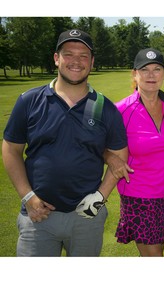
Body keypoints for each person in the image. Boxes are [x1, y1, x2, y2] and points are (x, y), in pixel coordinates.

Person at [2, 29, 129, 257]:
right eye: (69, 54)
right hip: (37, 215)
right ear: (56, 58)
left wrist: (99, 197)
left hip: (85, 220)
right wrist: (27, 196)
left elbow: (120, 154)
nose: (76, 61)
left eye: (83, 56)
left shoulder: (105, 108)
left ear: (92, 62)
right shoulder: (30, 101)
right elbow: (11, 149)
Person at [108, 48, 164, 257]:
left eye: (157, 69)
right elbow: (100, 145)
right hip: (138, 195)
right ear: (135, 74)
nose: (151, 75)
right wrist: (111, 158)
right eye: (145, 69)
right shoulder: (121, 110)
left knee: (157, 251)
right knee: (154, 257)